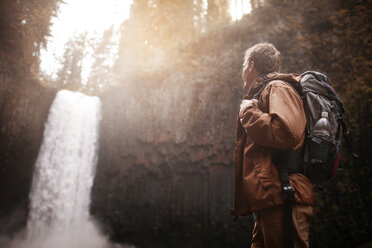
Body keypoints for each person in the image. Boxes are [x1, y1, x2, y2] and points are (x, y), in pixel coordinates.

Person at [230, 43, 314, 248]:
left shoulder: (277, 87)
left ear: (250, 66)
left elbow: (287, 133)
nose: (242, 72)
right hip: (271, 199)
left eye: (243, 66)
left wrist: (248, 111)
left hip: (285, 195)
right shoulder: (264, 92)